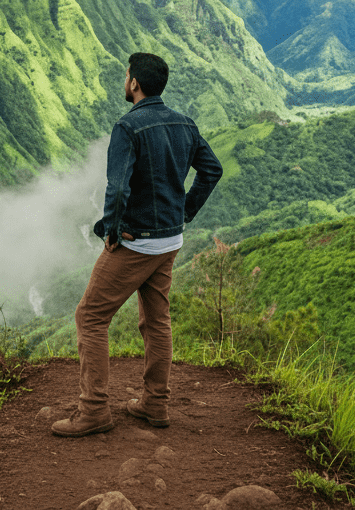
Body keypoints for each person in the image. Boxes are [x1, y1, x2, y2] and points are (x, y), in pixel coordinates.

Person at [52, 52, 222, 437]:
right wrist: (185, 211)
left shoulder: (128, 128)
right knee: (157, 320)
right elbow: (212, 170)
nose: (125, 80)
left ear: (134, 84)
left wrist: (111, 228)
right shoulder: (185, 123)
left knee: (90, 317)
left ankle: (94, 410)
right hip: (170, 241)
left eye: (126, 75)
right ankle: (154, 404)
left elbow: (117, 187)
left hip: (138, 241)